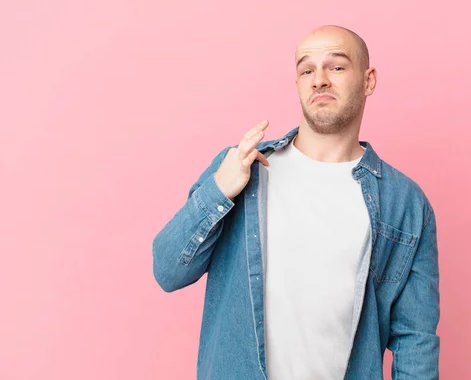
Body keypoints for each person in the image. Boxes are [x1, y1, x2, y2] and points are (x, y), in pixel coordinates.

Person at [152, 25, 440, 380]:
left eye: (336, 66)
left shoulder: (406, 203)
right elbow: (167, 271)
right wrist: (219, 190)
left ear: (368, 80)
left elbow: (416, 340)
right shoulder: (243, 169)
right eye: (306, 70)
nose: (319, 79)